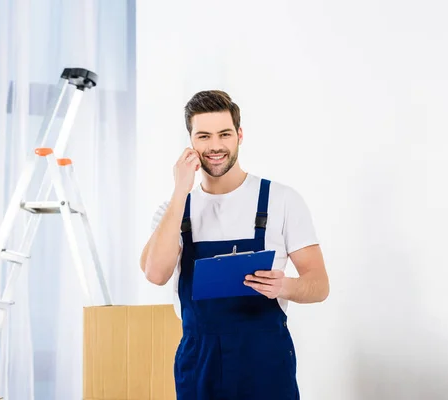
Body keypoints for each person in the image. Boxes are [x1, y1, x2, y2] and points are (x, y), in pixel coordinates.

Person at [139, 90, 329, 399]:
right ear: (191, 142)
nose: (215, 146)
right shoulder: (174, 209)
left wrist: (285, 287)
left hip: (265, 361)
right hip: (199, 362)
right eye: (203, 136)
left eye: (224, 134)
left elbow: (319, 285)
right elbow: (155, 273)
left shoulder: (281, 200)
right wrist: (180, 192)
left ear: (239, 136)